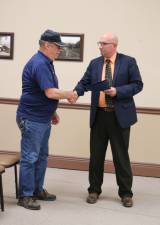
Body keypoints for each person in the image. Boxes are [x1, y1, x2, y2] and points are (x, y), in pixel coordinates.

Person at [73, 33, 143, 207]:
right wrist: (76, 92)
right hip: (99, 116)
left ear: (114, 45)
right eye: (100, 43)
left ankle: (126, 193)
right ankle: (94, 190)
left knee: (121, 157)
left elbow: (137, 84)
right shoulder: (95, 63)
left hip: (119, 116)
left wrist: (118, 91)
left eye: (103, 43)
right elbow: (84, 82)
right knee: (96, 155)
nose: (100, 46)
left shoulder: (129, 62)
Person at [16, 29, 76, 210]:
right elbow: (50, 92)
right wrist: (69, 94)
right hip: (32, 119)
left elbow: (42, 93)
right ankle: (25, 196)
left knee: (41, 156)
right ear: (46, 45)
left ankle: (37, 190)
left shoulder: (46, 62)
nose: (60, 50)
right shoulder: (40, 63)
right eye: (58, 47)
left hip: (42, 118)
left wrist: (52, 112)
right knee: (30, 157)